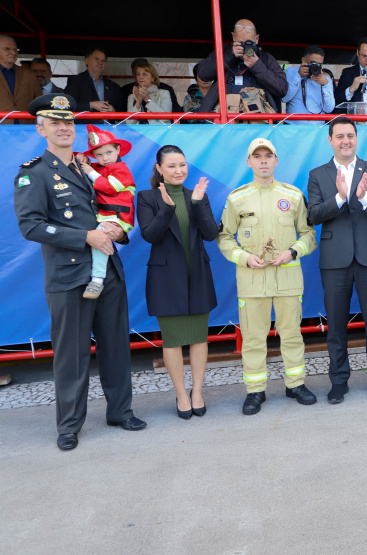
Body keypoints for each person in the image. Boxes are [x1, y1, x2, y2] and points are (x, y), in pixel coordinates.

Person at [14, 94, 145, 450]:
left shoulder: (92, 167)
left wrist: (121, 230)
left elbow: (117, 207)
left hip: (108, 270)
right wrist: (85, 236)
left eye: (69, 122)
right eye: (55, 123)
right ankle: (69, 424)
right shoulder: (34, 173)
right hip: (68, 275)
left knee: (116, 346)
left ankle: (120, 411)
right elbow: (32, 226)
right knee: (71, 354)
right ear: (41, 129)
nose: (63, 128)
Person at [218, 138, 317, 414]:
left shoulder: (293, 195)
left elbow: (309, 235)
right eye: (257, 156)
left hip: (287, 278)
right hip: (251, 281)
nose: (263, 161)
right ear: (249, 162)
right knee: (252, 337)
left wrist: (294, 252)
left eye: (268, 156)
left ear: (276, 160)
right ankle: (255, 391)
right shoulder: (236, 198)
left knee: (292, 334)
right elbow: (224, 237)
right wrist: (245, 258)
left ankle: (295, 384)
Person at [307, 117, 367, 403]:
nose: (346, 140)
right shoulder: (318, 174)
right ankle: (338, 381)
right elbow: (314, 215)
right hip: (335, 260)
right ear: (330, 140)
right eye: (340, 136)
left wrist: (363, 196)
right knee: (335, 323)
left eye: (351, 135)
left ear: (357, 138)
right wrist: (341, 199)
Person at [138, 145, 219, 419]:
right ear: (159, 169)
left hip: (197, 275)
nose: (178, 170)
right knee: (172, 340)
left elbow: (210, 234)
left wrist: (197, 203)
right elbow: (150, 235)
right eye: (171, 166)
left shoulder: (196, 195)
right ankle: (181, 394)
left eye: (182, 164)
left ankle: (197, 392)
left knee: (198, 338)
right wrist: (168, 209)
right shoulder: (147, 197)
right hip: (165, 279)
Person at [75, 125, 137, 300]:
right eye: (99, 155)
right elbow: (74, 160)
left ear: (118, 149)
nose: (105, 158)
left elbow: (109, 187)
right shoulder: (100, 167)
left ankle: (97, 279)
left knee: (100, 239)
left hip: (118, 218)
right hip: (105, 216)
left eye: (109, 152)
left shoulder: (121, 169)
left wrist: (90, 171)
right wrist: (80, 157)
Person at [197, 19, 288, 114]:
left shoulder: (266, 59)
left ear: (256, 39)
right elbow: (203, 74)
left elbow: (282, 89)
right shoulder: (222, 52)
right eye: (240, 43)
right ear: (233, 37)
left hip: (257, 120)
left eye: (248, 43)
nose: (244, 47)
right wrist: (230, 57)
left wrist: (257, 66)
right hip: (225, 117)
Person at [64, 47, 127, 113]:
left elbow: (123, 111)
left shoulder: (113, 87)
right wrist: (90, 105)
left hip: (108, 123)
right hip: (86, 123)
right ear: (87, 60)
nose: (100, 63)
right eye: (97, 59)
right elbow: (68, 106)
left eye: (103, 61)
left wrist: (114, 111)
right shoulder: (75, 81)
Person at [283, 45, 335, 123]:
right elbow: (284, 98)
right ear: (304, 60)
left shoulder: (326, 80)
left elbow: (329, 109)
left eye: (319, 64)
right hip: (294, 128)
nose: (316, 67)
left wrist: (325, 85)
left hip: (317, 128)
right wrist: (299, 76)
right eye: (313, 63)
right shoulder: (291, 72)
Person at [0, 35, 40, 118]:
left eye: (15, 50)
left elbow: (39, 104)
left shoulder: (29, 75)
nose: (13, 53)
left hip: (24, 127)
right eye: (7, 49)